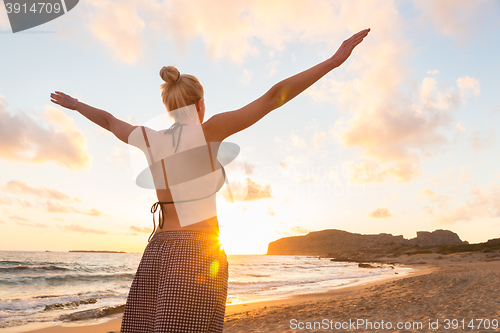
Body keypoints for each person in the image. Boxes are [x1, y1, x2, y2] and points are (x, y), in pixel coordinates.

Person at [49, 27, 370, 332]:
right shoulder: (210, 131)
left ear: (169, 107)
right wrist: (332, 61)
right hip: (196, 253)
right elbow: (274, 97)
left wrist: (76, 105)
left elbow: (108, 120)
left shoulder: (148, 138)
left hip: (156, 252)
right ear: (200, 104)